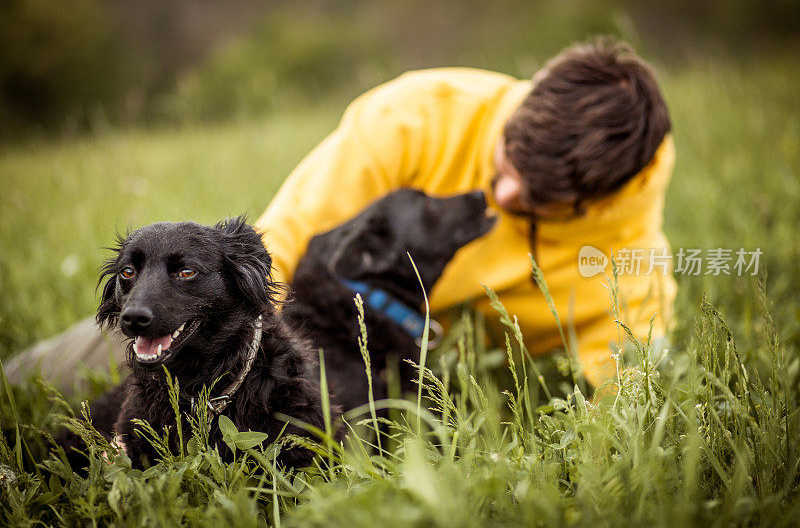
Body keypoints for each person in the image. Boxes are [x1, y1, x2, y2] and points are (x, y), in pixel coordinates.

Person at [6, 37, 676, 393]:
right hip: (290, 317)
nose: (501, 196)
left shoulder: (628, 250)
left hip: (390, 356)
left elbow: (632, 376)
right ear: (521, 105)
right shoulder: (414, 115)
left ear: (600, 199)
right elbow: (281, 245)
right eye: (501, 165)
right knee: (59, 375)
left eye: (533, 200)